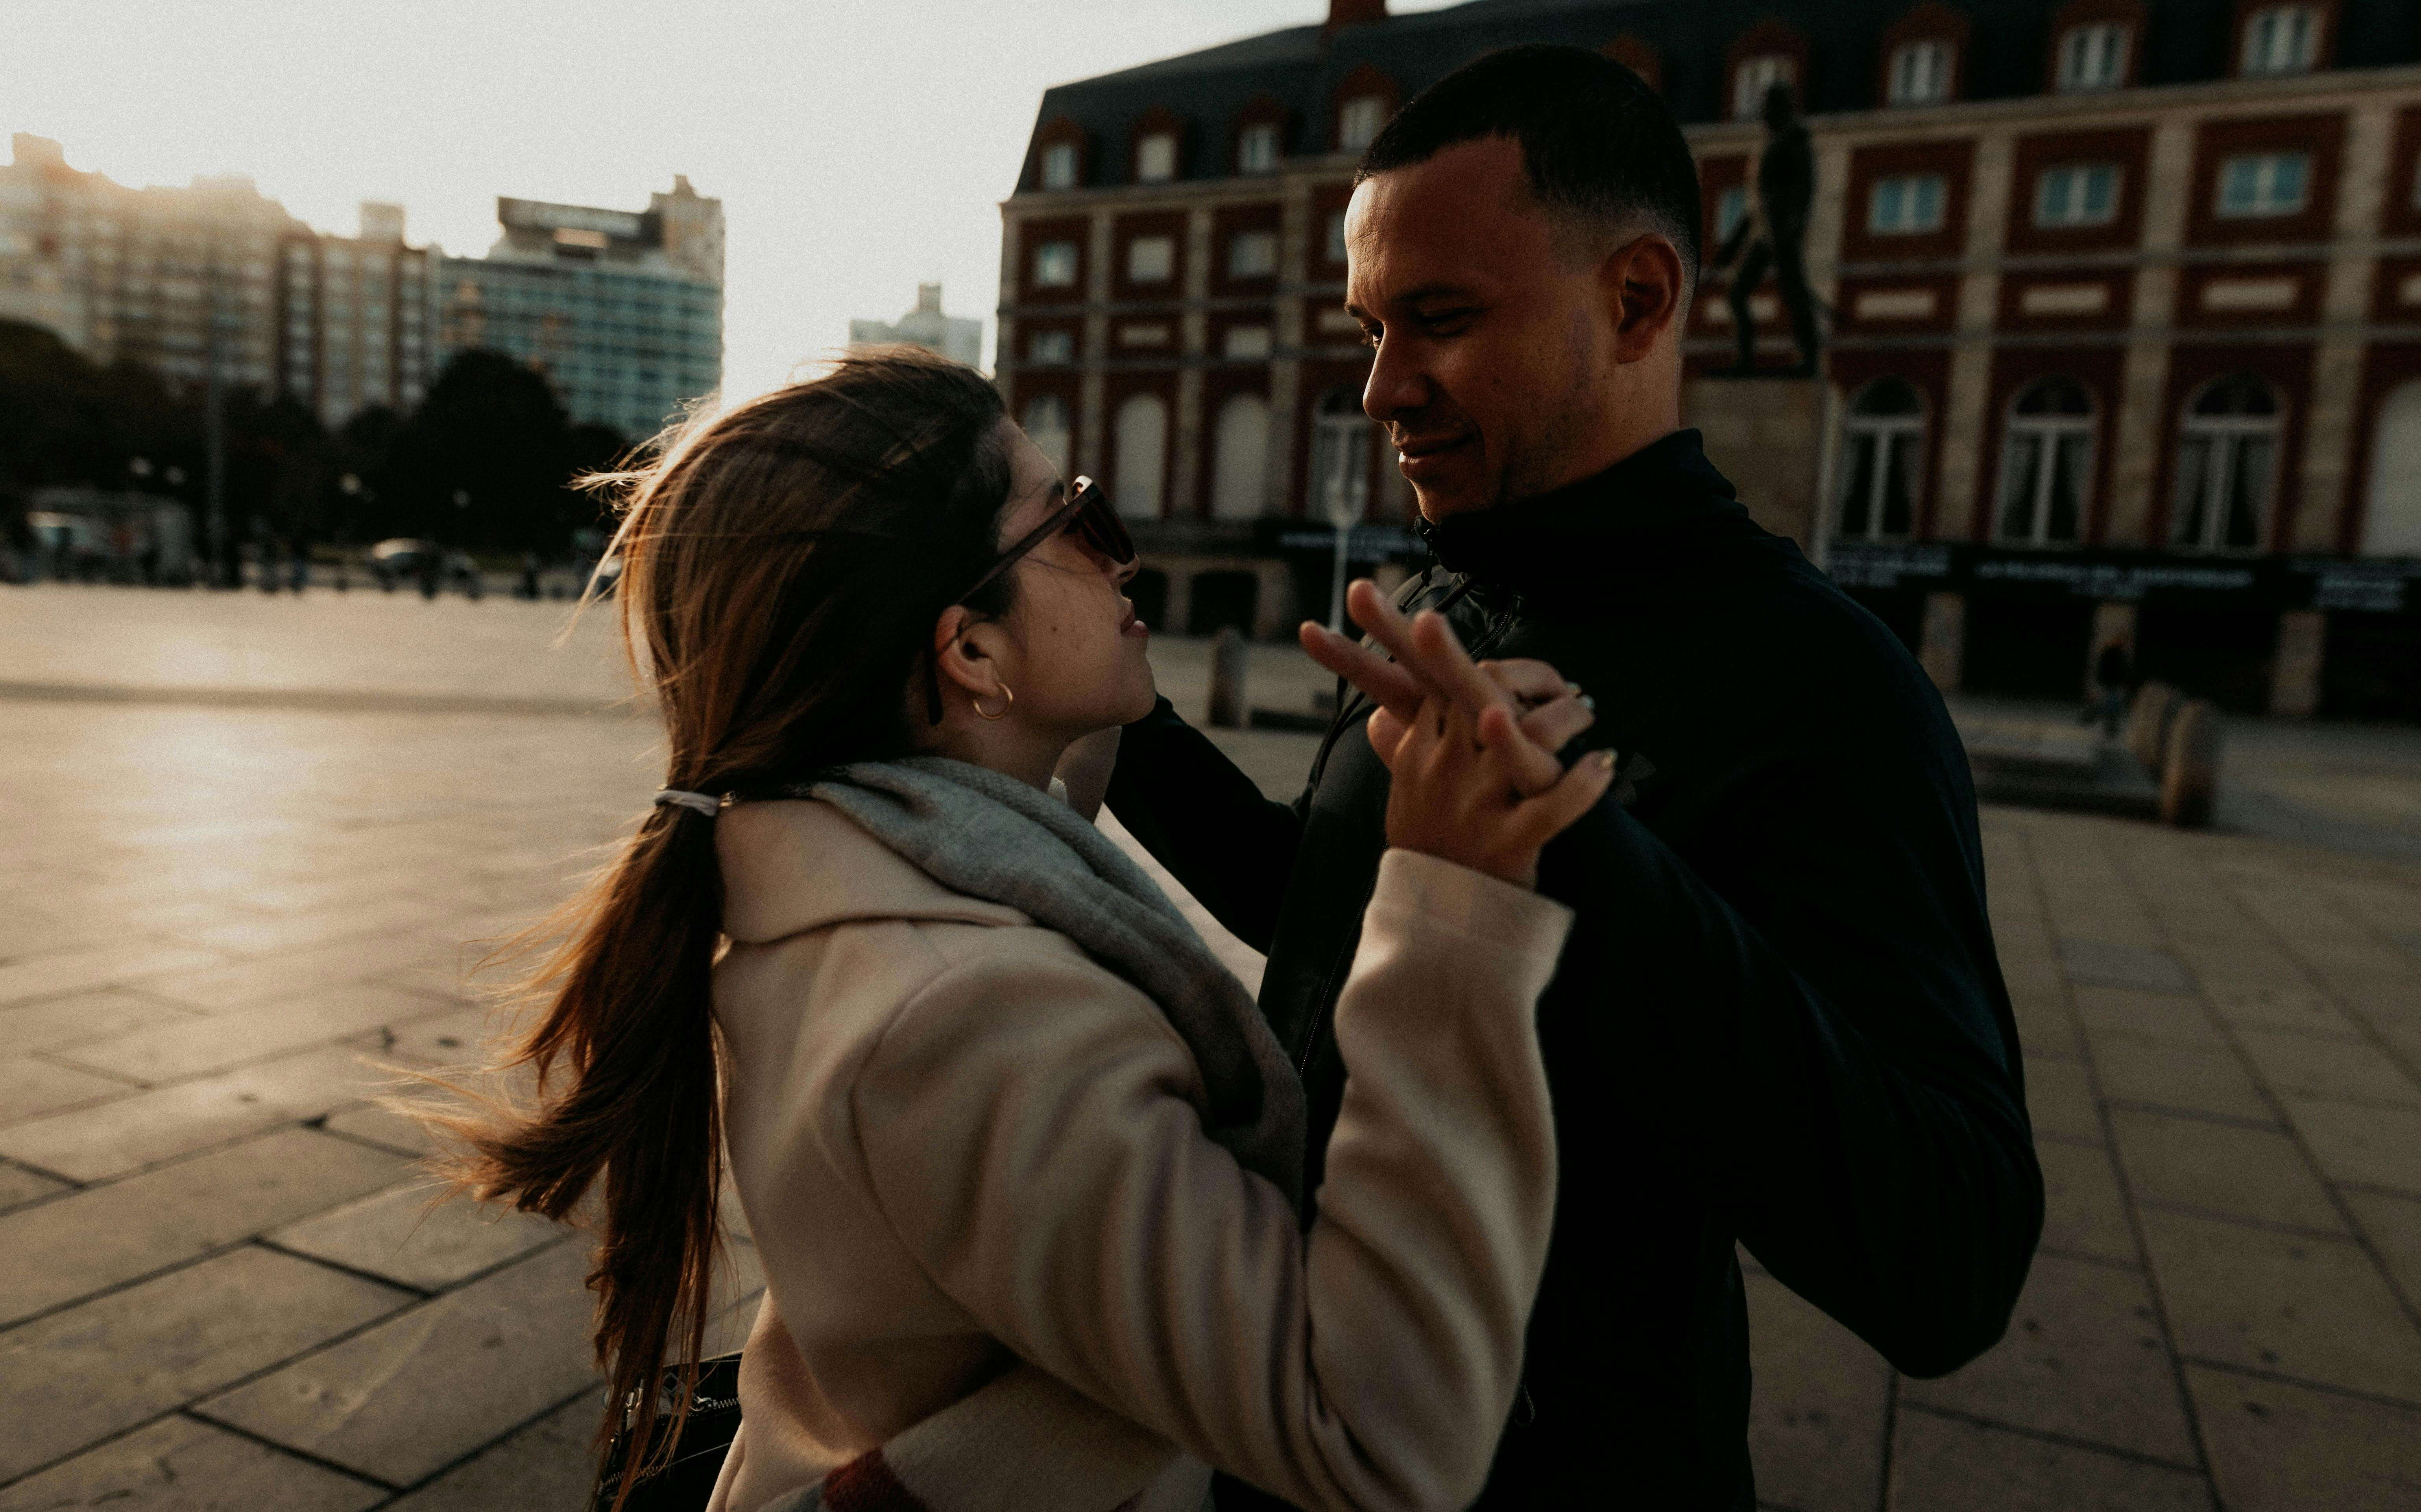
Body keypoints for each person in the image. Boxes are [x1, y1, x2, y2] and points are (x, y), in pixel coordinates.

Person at [428, 349, 1616, 1512]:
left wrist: (1065, 733)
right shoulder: (974, 1016)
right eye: (1077, 522)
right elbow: (1377, 1438)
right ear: (970, 651)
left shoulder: (840, 878)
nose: (1123, 556)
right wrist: (1458, 899)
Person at [1100, 47, 2042, 1509]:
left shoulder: (1821, 684)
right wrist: (1121, 723)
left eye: (1441, 320)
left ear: (1640, 300)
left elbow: (1951, 1257)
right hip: (1298, 1435)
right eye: (1367, 329)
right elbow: (1321, 902)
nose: (1381, 387)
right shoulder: (1468, 596)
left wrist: (1584, 860)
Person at [1712, 82, 1821, 377]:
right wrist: (1733, 245)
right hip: (1765, 234)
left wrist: (1791, 230)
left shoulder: (1794, 140)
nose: (1763, 114)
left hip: (1782, 234)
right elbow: (1756, 203)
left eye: (1768, 108)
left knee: (1794, 295)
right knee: (1738, 294)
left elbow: (1804, 190)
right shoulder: (1771, 143)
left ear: (1781, 108)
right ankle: (1746, 359)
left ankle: (1810, 358)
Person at [2083, 640, 2132, 740]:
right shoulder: (2116, 655)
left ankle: (2107, 725)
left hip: (2110, 682)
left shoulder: (2112, 655)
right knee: (2110, 705)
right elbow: (2119, 669)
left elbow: (2104, 668)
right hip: (2112, 682)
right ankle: (2107, 725)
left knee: (2110, 705)